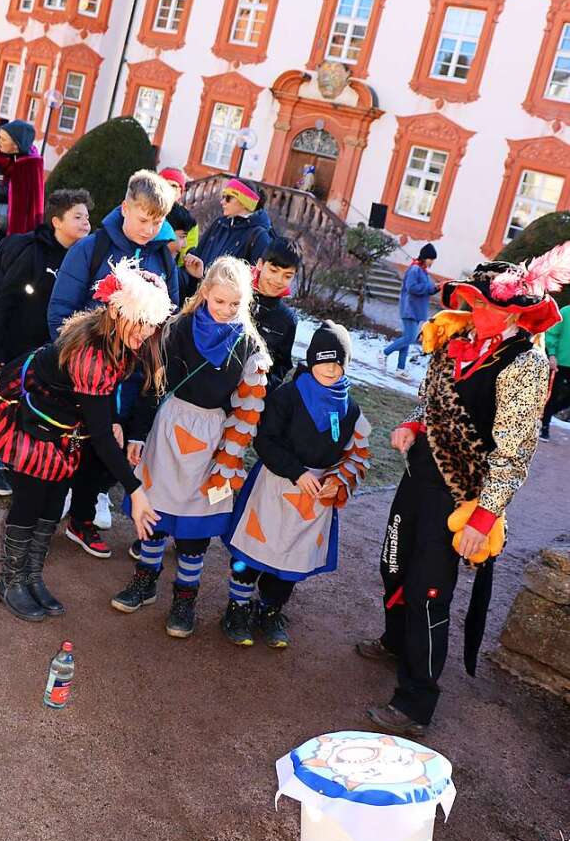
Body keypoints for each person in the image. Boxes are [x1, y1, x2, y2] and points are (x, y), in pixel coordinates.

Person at [357, 253, 564, 737]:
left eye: (486, 305)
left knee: (429, 593)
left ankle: (415, 701)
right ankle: (395, 640)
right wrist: (412, 423)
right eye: (472, 300)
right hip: (417, 479)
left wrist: (484, 518)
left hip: (461, 499)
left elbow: (513, 453)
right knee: (392, 566)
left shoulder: (526, 364)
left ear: (515, 314)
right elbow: (431, 400)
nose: (476, 310)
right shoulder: (456, 340)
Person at [0, 258, 173, 622]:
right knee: (30, 501)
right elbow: (99, 435)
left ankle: (31, 576)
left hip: (63, 426)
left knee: (53, 502)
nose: (144, 332)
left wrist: (109, 418)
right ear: (117, 310)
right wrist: (135, 490)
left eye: (150, 323)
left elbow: (98, 404)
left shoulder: (117, 340)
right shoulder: (92, 352)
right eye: (139, 321)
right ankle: (10, 580)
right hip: (36, 420)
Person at [111, 256, 270, 639]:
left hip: (213, 438)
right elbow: (152, 381)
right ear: (205, 295)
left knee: (194, 528)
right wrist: (138, 433)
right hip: (168, 427)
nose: (227, 310)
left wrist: (228, 462)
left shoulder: (249, 347)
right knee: (156, 512)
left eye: (235, 304)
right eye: (220, 302)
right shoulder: (178, 328)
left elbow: (248, 410)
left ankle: (185, 598)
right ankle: (145, 580)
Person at [47, 169, 178, 556]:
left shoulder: (162, 260)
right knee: (74, 441)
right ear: (124, 208)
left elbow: (163, 323)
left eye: (158, 222)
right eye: (143, 219)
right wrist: (77, 362)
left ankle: (83, 518)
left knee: (111, 448)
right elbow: (60, 313)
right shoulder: (91, 249)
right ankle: (46, 511)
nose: (149, 229)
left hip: (131, 377)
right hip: (84, 373)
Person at [222, 322, 371, 648]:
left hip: (313, 499)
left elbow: (353, 456)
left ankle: (271, 609)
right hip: (275, 484)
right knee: (253, 550)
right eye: (324, 361)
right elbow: (266, 440)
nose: (331, 369)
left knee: (292, 556)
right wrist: (296, 472)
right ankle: (238, 605)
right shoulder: (288, 396)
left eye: (338, 362)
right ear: (312, 360)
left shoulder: (351, 409)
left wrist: (337, 481)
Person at [0, 188, 93, 497]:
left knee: (31, 404)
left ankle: (18, 459)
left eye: (87, 217)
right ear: (57, 221)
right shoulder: (32, 252)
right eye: (78, 217)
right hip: (13, 343)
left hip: (46, 350)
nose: (86, 223)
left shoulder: (80, 257)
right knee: (3, 402)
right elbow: (5, 300)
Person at [183, 178, 272, 285]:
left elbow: (258, 281)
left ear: (244, 202)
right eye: (223, 197)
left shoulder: (259, 236)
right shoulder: (220, 223)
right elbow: (199, 254)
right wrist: (190, 258)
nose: (222, 202)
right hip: (201, 294)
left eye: (228, 198)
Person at [379, 244, 440, 380]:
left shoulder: (422, 271)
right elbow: (412, 288)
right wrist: (430, 287)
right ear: (425, 258)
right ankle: (384, 353)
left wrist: (435, 288)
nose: (432, 262)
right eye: (431, 259)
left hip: (416, 310)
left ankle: (400, 369)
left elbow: (424, 289)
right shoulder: (414, 270)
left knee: (407, 340)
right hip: (410, 309)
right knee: (410, 338)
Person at [251, 237, 301, 390]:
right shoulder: (235, 296)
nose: (278, 280)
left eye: (287, 276)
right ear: (260, 264)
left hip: (249, 399)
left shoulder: (287, 320)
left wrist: (264, 387)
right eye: (273, 270)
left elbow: (282, 364)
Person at [541, 301, 570, 441]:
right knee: (551, 396)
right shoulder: (565, 311)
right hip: (560, 362)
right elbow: (552, 334)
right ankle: (544, 428)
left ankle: (546, 414)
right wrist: (552, 354)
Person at [160, 167, 199, 264]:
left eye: (173, 185)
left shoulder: (189, 221)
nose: (167, 189)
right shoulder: (145, 210)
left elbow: (186, 254)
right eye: (164, 184)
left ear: (181, 192)